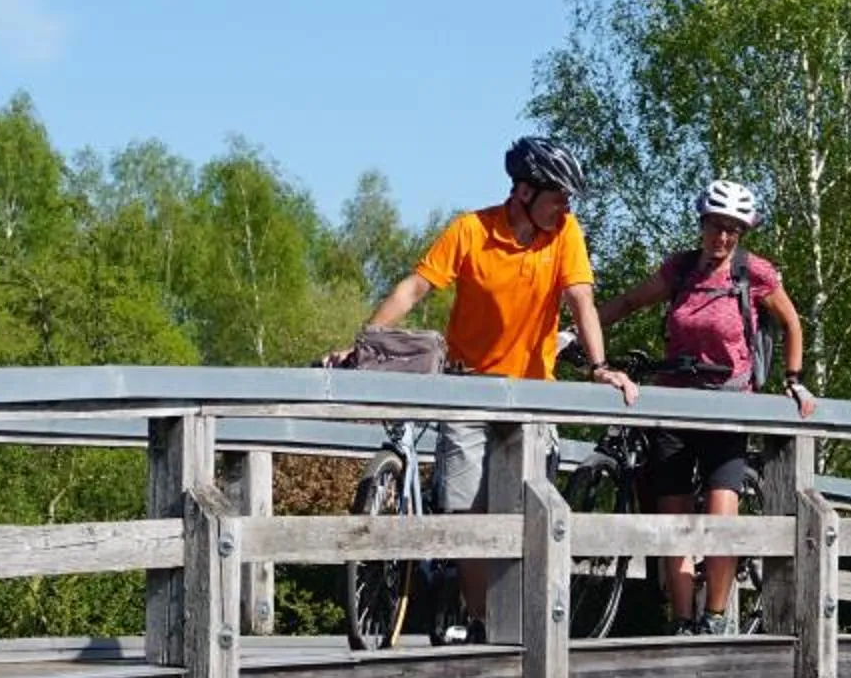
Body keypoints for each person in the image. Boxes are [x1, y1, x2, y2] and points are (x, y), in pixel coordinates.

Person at [338, 135, 636, 639]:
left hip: (533, 395)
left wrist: (600, 365)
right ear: (523, 191)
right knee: (467, 516)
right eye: (558, 195)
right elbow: (415, 288)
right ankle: (483, 625)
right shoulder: (471, 231)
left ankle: (518, 622)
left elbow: (581, 302)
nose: (566, 207)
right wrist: (367, 343)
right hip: (470, 390)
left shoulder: (564, 234)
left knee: (524, 514)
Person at [596, 176, 816, 635]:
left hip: (728, 408)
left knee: (721, 519)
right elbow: (631, 301)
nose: (722, 237)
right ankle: (681, 621)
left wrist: (793, 381)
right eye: (716, 227)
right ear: (702, 225)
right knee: (674, 521)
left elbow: (792, 324)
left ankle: (714, 618)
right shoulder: (680, 270)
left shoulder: (753, 274)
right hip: (673, 407)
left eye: (732, 230)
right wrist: (578, 334)